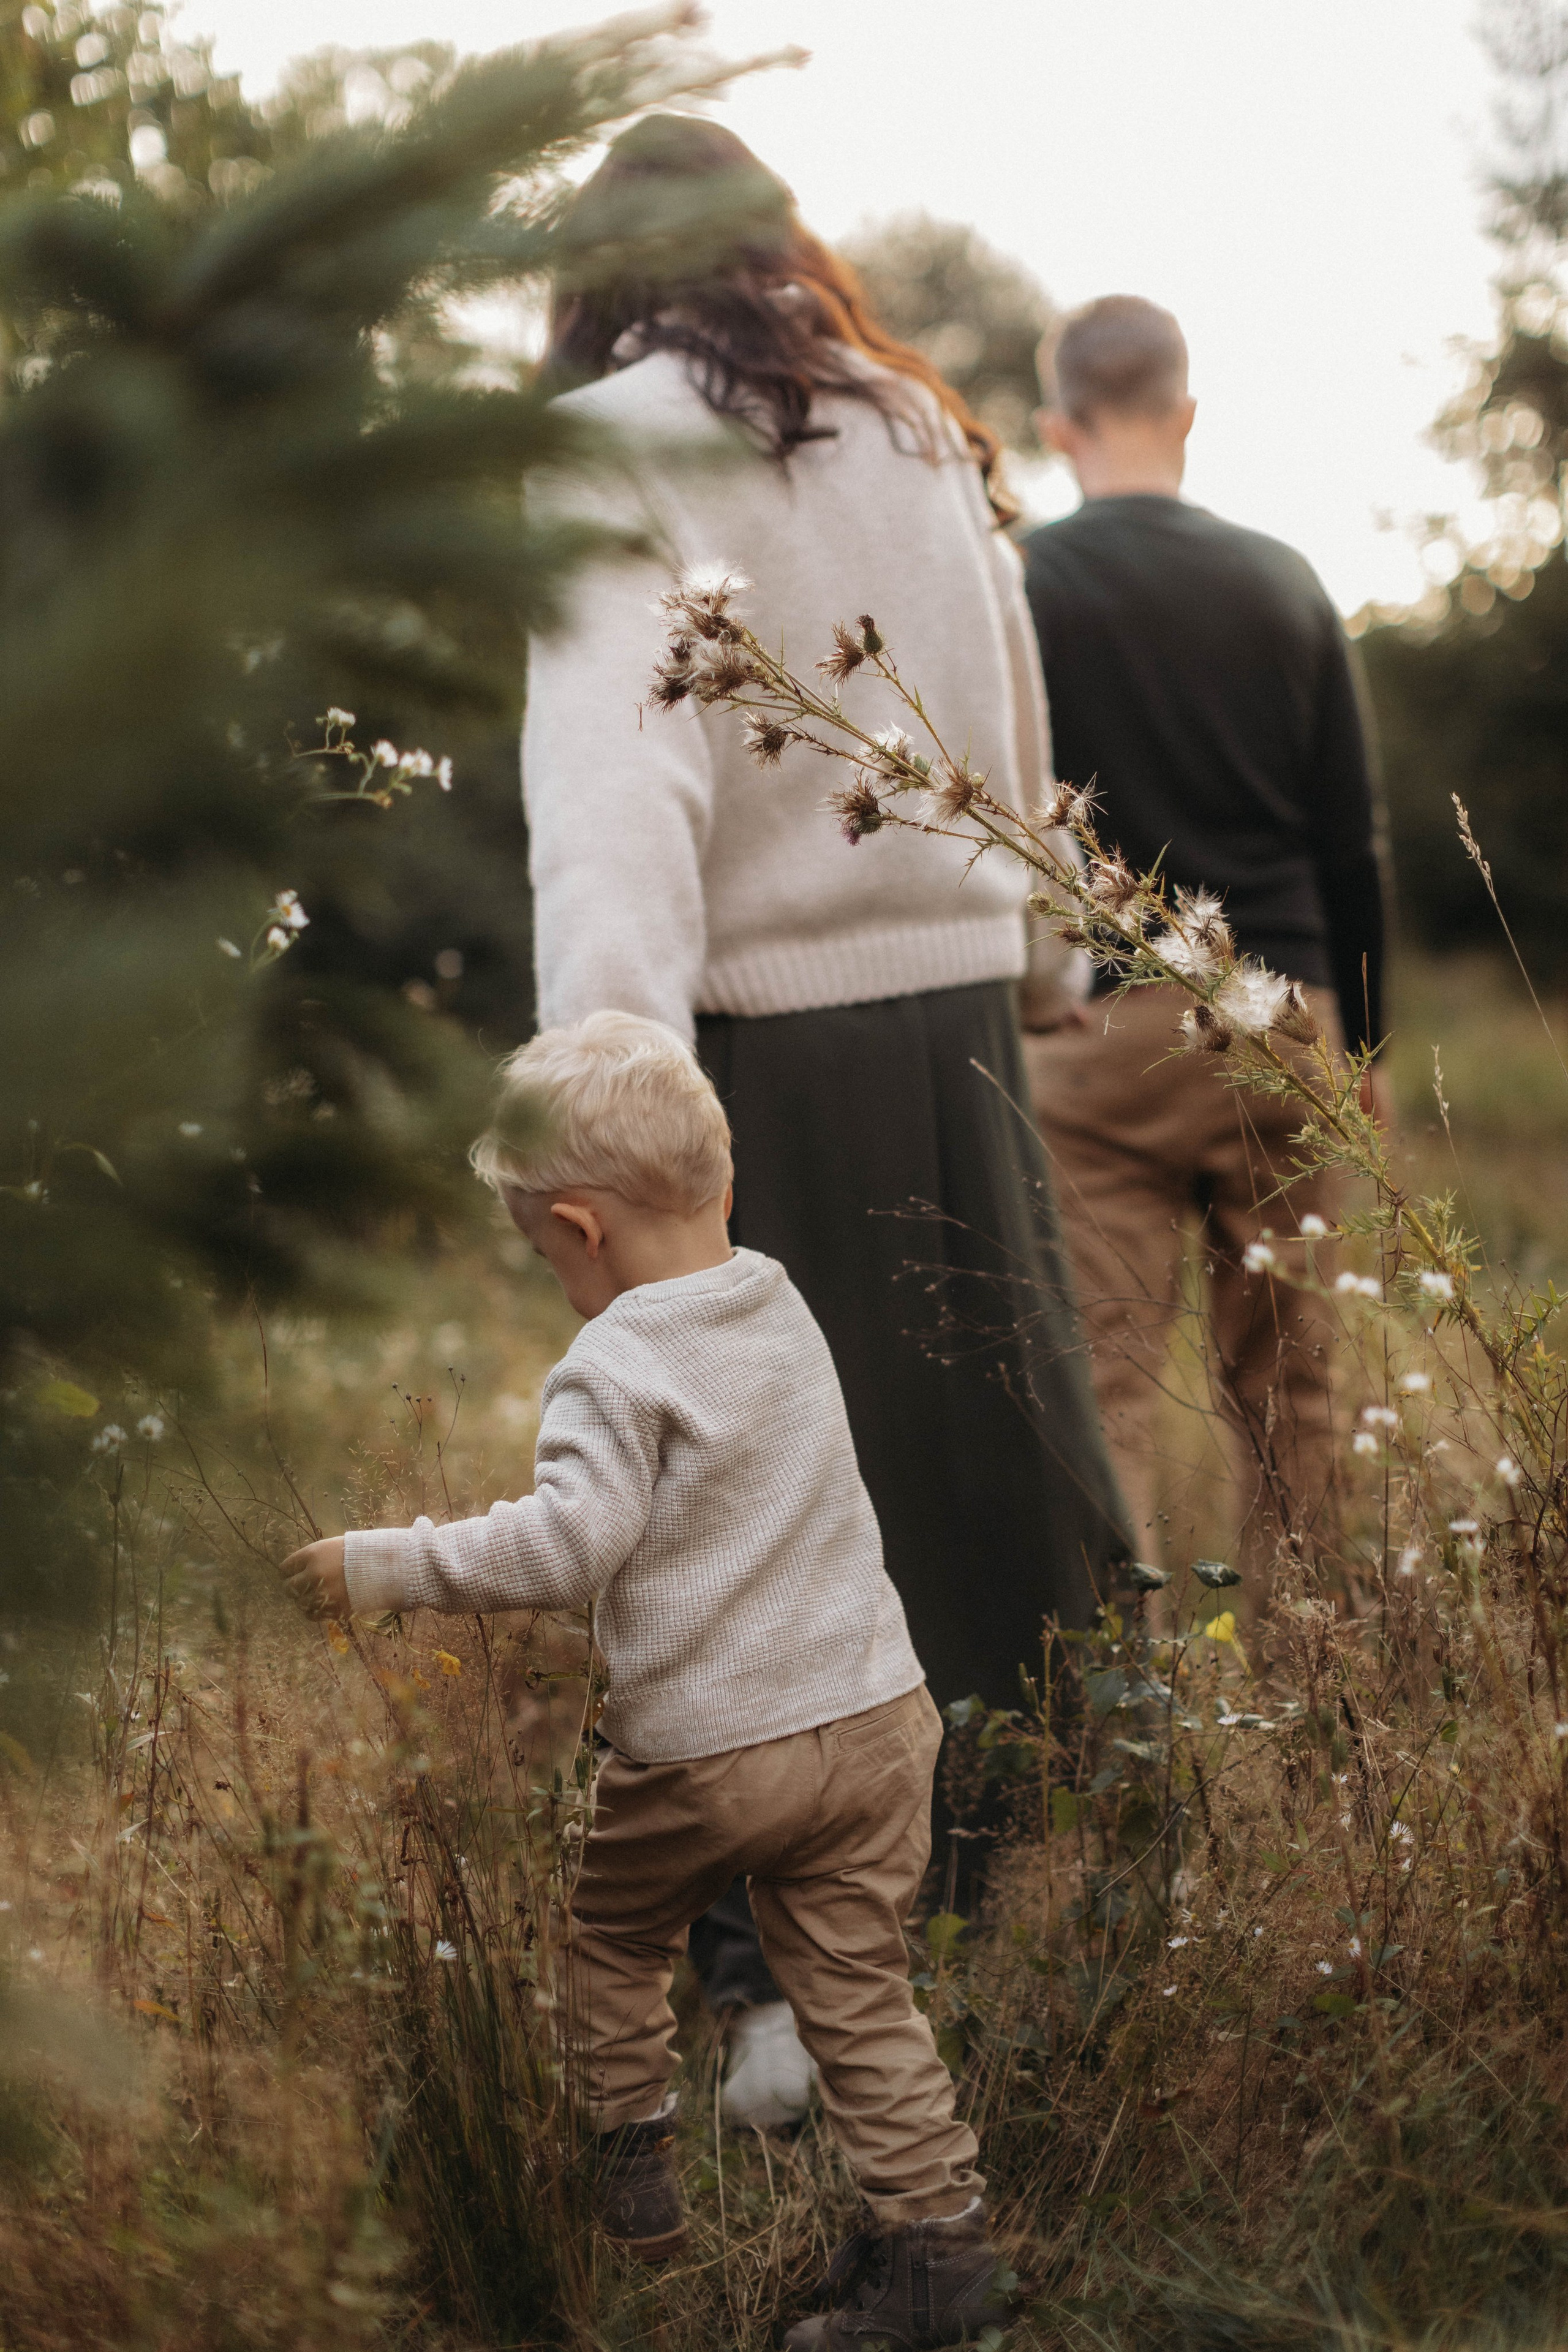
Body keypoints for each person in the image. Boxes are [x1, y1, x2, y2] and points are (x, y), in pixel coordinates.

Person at [525, 115, 1130, 2120]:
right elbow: (1008, 729)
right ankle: (1007, 1917)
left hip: (747, 1055)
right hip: (958, 1020)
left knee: (753, 1537)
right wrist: (1046, 968)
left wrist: (599, 1108)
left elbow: (621, 798)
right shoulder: (923, 429)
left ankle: (795, 2011)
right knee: (972, 1492)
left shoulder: (610, 433)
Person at [276, 1013, 1011, 2352]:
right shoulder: (775, 1296)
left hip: (717, 1755)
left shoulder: (610, 1362)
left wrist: (391, 1566)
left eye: (540, 1249)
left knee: (611, 1943)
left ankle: (626, 2185)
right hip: (875, 1719)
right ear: (719, 1187)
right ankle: (935, 2247)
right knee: (858, 1985)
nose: (551, 1273)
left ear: (577, 1225)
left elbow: (567, 1548)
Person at [1019, 295, 1389, 1594]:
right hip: (1277, 1015)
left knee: (1099, 1395)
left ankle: (1112, 1736)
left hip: (1095, 1034)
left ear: (1057, 424)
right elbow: (1353, 846)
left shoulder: (1025, 582)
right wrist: (1369, 1040)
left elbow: (1004, 812)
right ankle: (1313, 1696)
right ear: (1184, 414)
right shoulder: (1284, 580)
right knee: (1292, 1389)